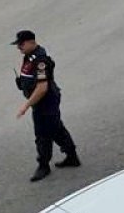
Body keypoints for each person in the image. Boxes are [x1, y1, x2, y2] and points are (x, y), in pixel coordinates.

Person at [11, 30, 78, 182]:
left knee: (42, 134)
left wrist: (25, 106)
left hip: (45, 102)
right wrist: (23, 84)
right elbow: (32, 78)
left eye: (21, 44)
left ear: (31, 42)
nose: (19, 48)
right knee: (56, 129)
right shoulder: (29, 57)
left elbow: (42, 88)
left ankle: (43, 165)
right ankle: (72, 156)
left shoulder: (40, 60)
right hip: (41, 101)